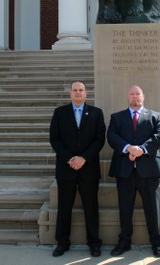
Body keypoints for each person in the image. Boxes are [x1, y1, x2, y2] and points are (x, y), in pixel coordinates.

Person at [107, 85, 160, 257]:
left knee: (152, 208)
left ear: (143, 96)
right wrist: (128, 148)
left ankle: (156, 243)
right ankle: (124, 242)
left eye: (137, 94)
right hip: (124, 170)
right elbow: (112, 136)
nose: (134, 97)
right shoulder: (117, 117)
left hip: (148, 170)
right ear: (127, 97)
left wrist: (141, 149)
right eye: (131, 94)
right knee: (125, 208)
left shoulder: (156, 116)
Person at [49, 81, 106, 258]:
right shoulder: (60, 113)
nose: (78, 93)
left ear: (86, 94)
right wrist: (70, 159)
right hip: (66, 169)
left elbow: (99, 139)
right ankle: (62, 242)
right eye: (75, 90)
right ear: (70, 94)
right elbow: (55, 139)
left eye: (81, 90)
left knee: (91, 207)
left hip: (88, 168)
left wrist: (84, 158)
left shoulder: (96, 113)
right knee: (64, 207)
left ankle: (94, 243)